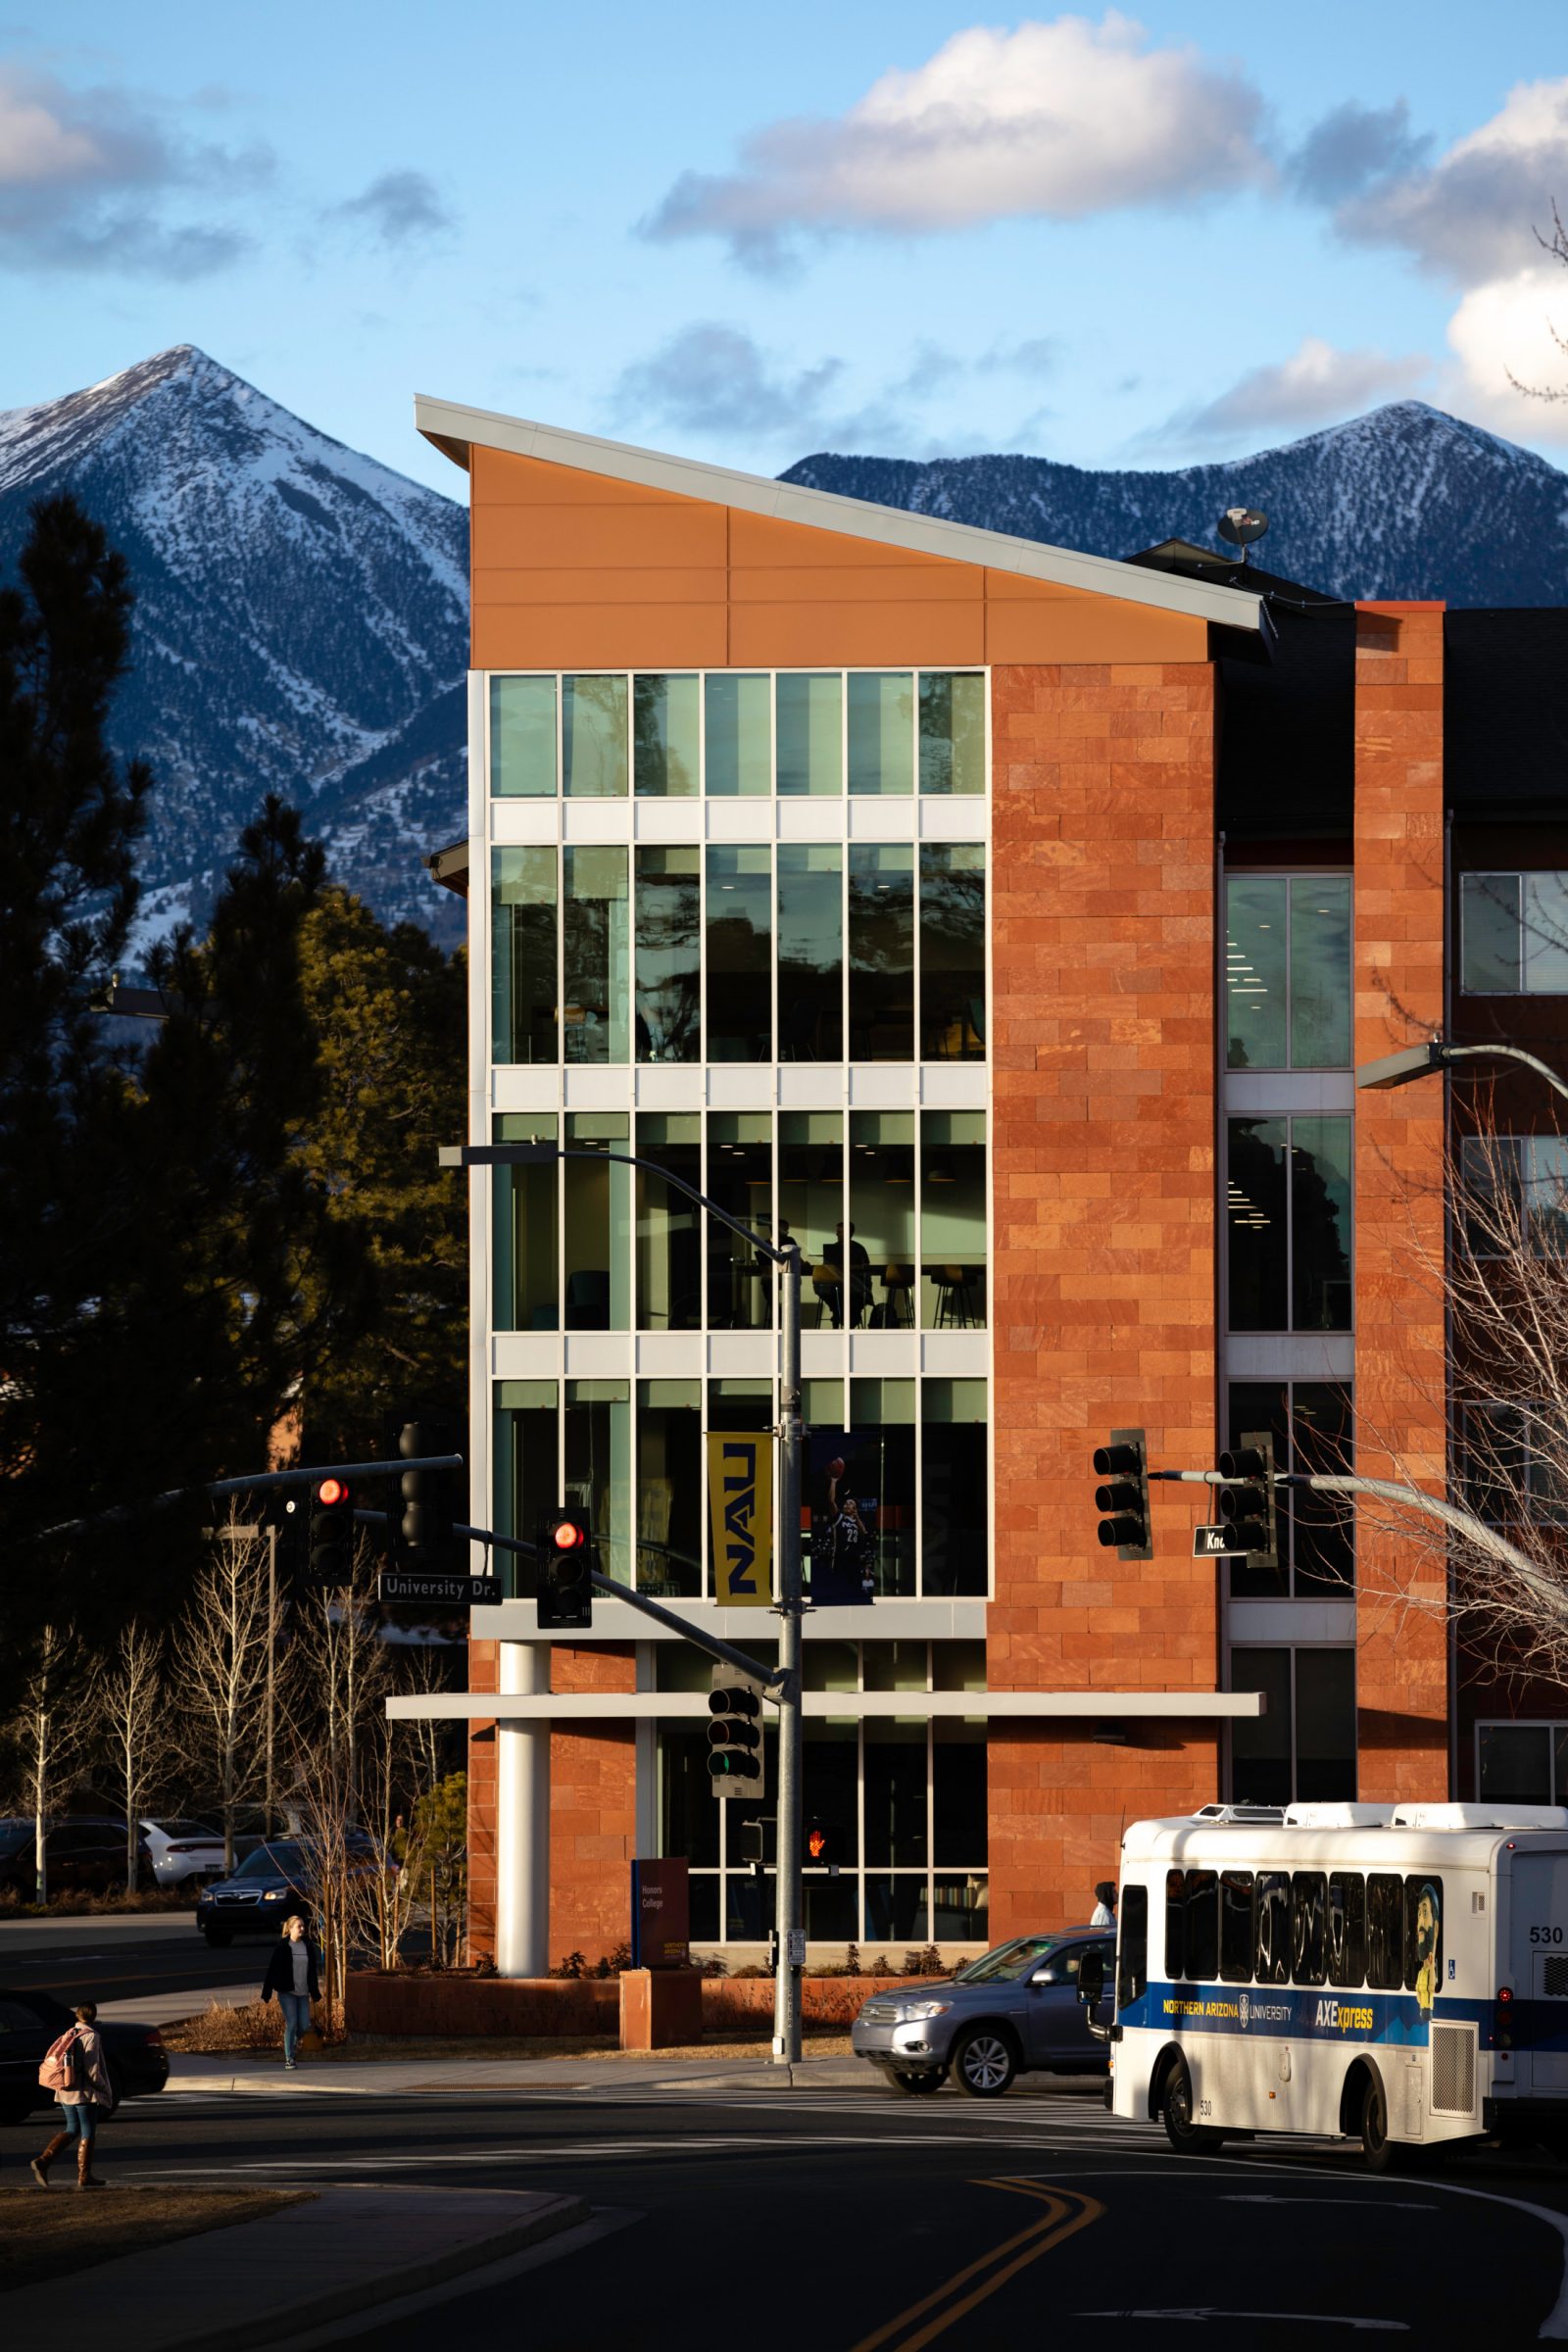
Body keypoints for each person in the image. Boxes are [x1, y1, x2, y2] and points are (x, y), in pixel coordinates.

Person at [31, 2000, 115, 2188]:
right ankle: (84, 2176)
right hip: (83, 2093)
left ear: (78, 2015)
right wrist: (103, 2088)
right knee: (88, 2131)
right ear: (93, 2016)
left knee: (72, 2128)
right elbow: (92, 2069)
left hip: (65, 2090)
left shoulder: (70, 2032)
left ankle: (43, 2161)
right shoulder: (92, 2036)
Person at [263, 1912, 322, 2069]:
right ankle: (289, 2058)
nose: (302, 1929)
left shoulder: (307, 1946)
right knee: (292, 2022)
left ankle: (292, 2043)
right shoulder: (283, 1946)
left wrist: (315, 1991)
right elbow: (272, 1969)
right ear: (290, 1929)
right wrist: (267, 1991)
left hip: (303, 1992)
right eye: (299, 1926)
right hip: (287, 1992)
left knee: (304, 2025)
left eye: (303, 1926)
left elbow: (312, 1971)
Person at [816, 1222, 873, 1329]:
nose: (836, 1234)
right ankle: (844, 1318)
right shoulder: (856, 1248)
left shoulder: (857, 1248)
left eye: (839, 1232)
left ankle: (839, 1317)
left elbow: (865, 1268)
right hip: (840, 1288)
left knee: (846, 1297)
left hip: (854, 1288)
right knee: (839, 1295)